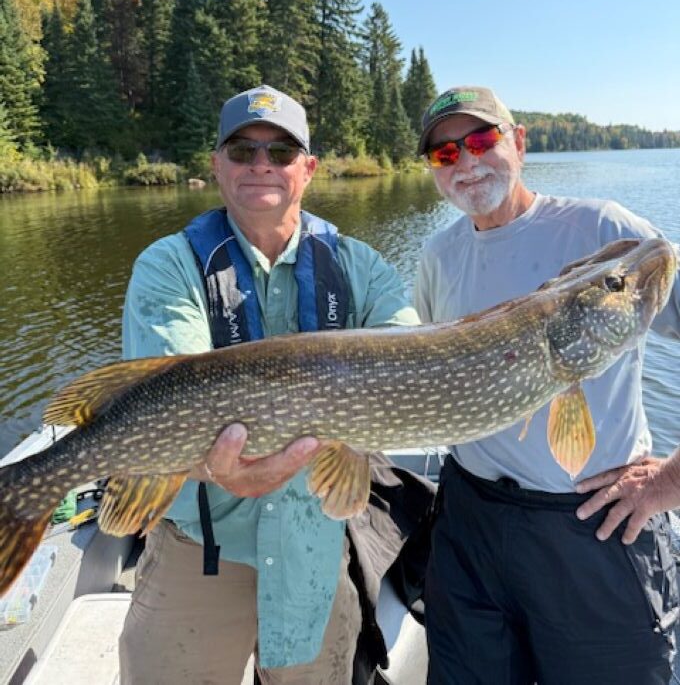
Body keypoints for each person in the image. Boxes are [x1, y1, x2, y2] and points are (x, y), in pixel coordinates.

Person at [118, 84, 421, 685]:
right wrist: (217, 464)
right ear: (216, 165)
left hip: (315, 548)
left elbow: (407, 353)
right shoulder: (169, 265)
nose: (262, 164)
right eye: (242, 149)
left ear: (307, 169)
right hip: (200, 553)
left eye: (281, 152)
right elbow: (169, 394)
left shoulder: (362, 267)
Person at [413, 86, 680, 685]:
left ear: (519, 142)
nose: (468, 162)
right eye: (445, 154)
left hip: (594, 527)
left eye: (481, 140)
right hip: (470, 529)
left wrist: (669, 481)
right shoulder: (438, 256)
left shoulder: (604, 230)